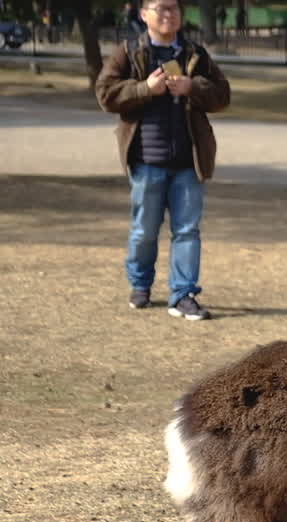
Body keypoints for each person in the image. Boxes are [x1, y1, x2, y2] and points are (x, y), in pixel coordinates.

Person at [95, 0, 230, 320]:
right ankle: (140, 285)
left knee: (187, 231)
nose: (169, 14)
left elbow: (223, 95)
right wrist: (145, 88)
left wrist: (192, 86)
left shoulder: (194, 54)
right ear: (144, 14)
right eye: (160, 8)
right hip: (146, 159)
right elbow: (105, 94)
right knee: (144, 230)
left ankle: (183, 294)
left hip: (188, 161)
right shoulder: (128, 52)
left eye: (174, 8)